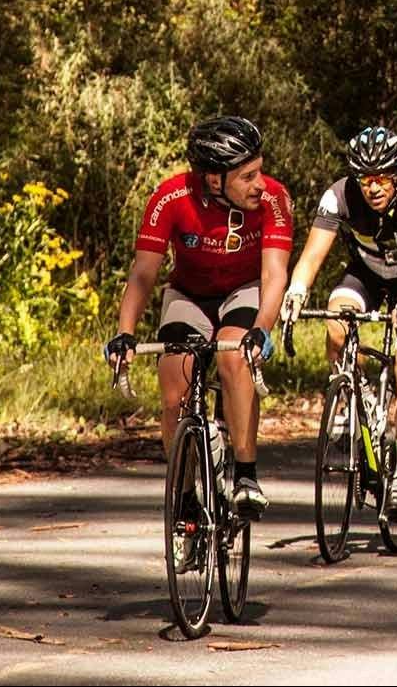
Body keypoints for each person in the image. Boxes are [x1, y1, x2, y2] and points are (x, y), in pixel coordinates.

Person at [105, 116, 293, 516]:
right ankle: (186, 490)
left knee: (233, 357)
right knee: (175, 386)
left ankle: (245, 473)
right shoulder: (170, 198)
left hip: (243, 291)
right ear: (213, 179)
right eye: (247, 176)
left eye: (259, 170)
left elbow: (275, 274)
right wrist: (125, 333)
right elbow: (143, 273)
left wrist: (261, 329)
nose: (260, 184)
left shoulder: (274, 199)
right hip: (189, 294)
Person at [281, 126, 397, 513]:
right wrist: (296, 291)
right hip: (366, 275)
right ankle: (356, 398)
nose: (372, 188)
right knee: (336, 324)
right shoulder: (339, 196)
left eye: (381, 178)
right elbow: (311, 257)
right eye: (364, 179)